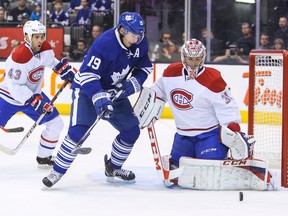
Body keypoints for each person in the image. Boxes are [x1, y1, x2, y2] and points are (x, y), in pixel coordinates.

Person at [42, 11, 153, 188]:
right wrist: (99, 98)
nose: (138, 38)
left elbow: (145, 68)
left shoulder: (140, 43)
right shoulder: (105, 43)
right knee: (78, 133)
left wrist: (133, 84)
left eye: (141, 34)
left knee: (132, 132)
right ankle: (57, 171)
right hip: (87, 91)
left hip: (114, 92)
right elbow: (87, 75)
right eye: (134, 34)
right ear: (122, 29)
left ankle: (113, 167)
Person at [150, 39, 256, 185]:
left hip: (209, 135)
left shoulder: (213, 79)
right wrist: (149, 106)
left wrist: (233, 129)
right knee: (177, 166)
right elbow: (157, 92)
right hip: (183, 136)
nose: (193, 63)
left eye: (197, 59)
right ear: (183, 57)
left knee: (211, 166)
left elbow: (227, 107)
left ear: (203, 58)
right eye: (190, 59)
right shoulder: (170, 73)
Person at [0, 20, 75, 167]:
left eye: (42, 36)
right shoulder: (19, 56)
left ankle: (44, 157)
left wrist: (61, 68)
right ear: (27, 37)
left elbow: (49, 61)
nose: (40, 40)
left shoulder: (45, 49)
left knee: (56, 123)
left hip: (33, 96)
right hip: (7, 97)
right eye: (37, 37)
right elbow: (14, 86)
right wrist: (34, 99)